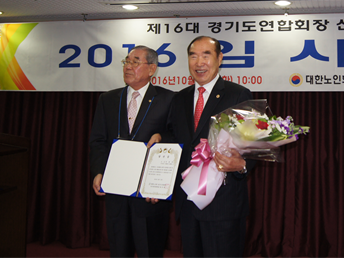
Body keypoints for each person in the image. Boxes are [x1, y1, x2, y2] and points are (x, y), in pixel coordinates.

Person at [149, 36, 254, 257]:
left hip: (222, 203)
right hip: (188, 202)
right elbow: (177, 136)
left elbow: (252, 142)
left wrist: (243, 164)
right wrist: (161, 136)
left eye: (206, 55)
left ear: (219, 59)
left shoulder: (237, 94)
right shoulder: (180, 98)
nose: (199, 63)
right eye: (193, 56)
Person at [89, 45, 174, 257]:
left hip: (149, 195)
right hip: (116, 191)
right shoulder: (108, 99)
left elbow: (177, 136)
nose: (128, 66)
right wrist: (98, 171)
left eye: (135, 62)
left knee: (149, 251)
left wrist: (161, 137)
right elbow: (98, 140)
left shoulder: (169, 99)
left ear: (152, 68)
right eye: (126, 61)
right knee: (119, 250)